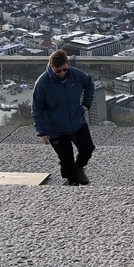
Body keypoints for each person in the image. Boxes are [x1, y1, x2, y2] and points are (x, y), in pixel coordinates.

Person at [32, 49, 96, 186]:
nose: (62, 73)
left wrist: (86, 105)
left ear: (67, 64)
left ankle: (79, 168)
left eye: (64, 69)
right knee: (66, 160)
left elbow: (89, 83)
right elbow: (37, 108)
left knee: (87, 148)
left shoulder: (75, 74)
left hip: (77, 121)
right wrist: (42, 132)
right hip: (56, 128)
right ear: (51, 67)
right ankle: (71, 187)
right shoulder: (42, 83)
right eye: (58, 71)